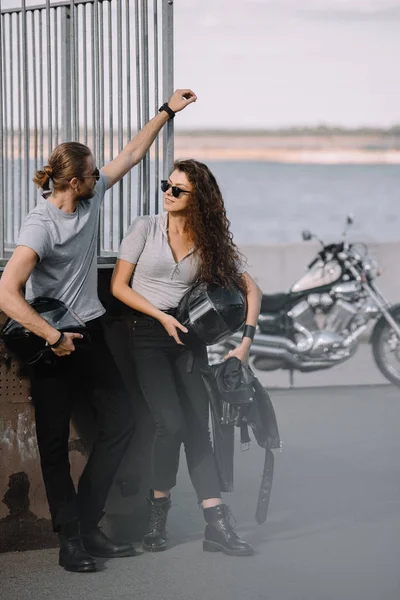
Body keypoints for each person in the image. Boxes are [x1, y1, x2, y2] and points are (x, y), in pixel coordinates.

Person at [0, 89, 197, 572]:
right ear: (73, 180)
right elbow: (6, 292)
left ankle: (87, 524)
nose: (100, 177)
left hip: (90, 331)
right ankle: (71, 539)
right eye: (92, 174)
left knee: (123, 423)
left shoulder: (89, 199)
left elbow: (131, 154)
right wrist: (52, 336)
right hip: (52, 344)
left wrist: (167, 111)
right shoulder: (40, 226)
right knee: (52, 443)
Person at [111, 159, 262, 556]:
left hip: (189, 342)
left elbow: (252, 290)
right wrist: (160, 316)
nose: (168, 192)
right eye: (167, 184)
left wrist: (244, 343)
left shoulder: (209, 243)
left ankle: (216, 523)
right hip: (147, 336)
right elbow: (118, 286)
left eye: (178, 189)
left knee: (198, 428)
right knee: (172, 423)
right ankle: (158, 509)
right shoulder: (144, 227)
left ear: (199, 200)